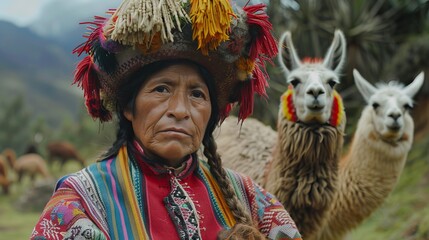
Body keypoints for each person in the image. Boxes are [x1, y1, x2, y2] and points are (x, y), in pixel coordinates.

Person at [31, 0, 303, 239]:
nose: (180, 110)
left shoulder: (250, 198)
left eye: (197, 94)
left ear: (211, 114)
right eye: (162, 89)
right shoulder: (81, 202)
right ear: (129, 107)